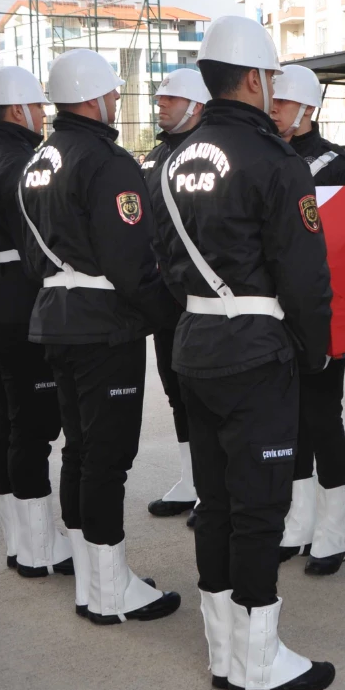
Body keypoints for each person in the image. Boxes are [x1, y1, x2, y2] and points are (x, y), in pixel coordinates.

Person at [150, 16, 336, 690]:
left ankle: (225, 655)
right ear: (256, 79)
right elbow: (305, 277)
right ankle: (259, 666)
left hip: (193, 345)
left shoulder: (170, 161)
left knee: (218, 501)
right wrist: (314, 351)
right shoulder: (276, 162)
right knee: (260, 508)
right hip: (257, 351)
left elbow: (164, 265)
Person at [19, 47, 181, 625]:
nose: (117, 99)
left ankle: (93, 582)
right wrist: (169, 312)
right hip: (104, 324)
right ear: (93, 97)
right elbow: (130, 259)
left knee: (80, 452)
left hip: (56, 318)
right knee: (107, 458)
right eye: (112, 91)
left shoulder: (40, 159)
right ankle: (112, 592)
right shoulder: (106, 161)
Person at [0, 66, 71, 576]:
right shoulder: (23, 161)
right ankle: (41, 546)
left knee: (5, 421)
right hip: (16, 303)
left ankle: (19, 538)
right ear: (19, 109)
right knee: (34, 427)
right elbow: (40, 238)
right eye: (39, 107)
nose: (44, 115)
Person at [270, 63, 345, 576]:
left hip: (326, 315)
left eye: (282, 103)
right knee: (291, 422)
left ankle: (335, 530)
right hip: (276, 313)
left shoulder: (341, 167)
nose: (272, 110)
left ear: (308, 109)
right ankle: (299, 522)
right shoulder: (268, 157)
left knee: (324, 420)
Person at [140, 68, 210, 526]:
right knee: (175, 392)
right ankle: (191, 479)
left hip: (204, 294)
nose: (161, 104)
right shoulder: (153, 155)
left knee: (205, 396)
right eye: (160, 97)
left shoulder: (207, 151)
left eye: (171, 98)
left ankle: (211, 486)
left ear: (197, 104)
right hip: (163, 294)